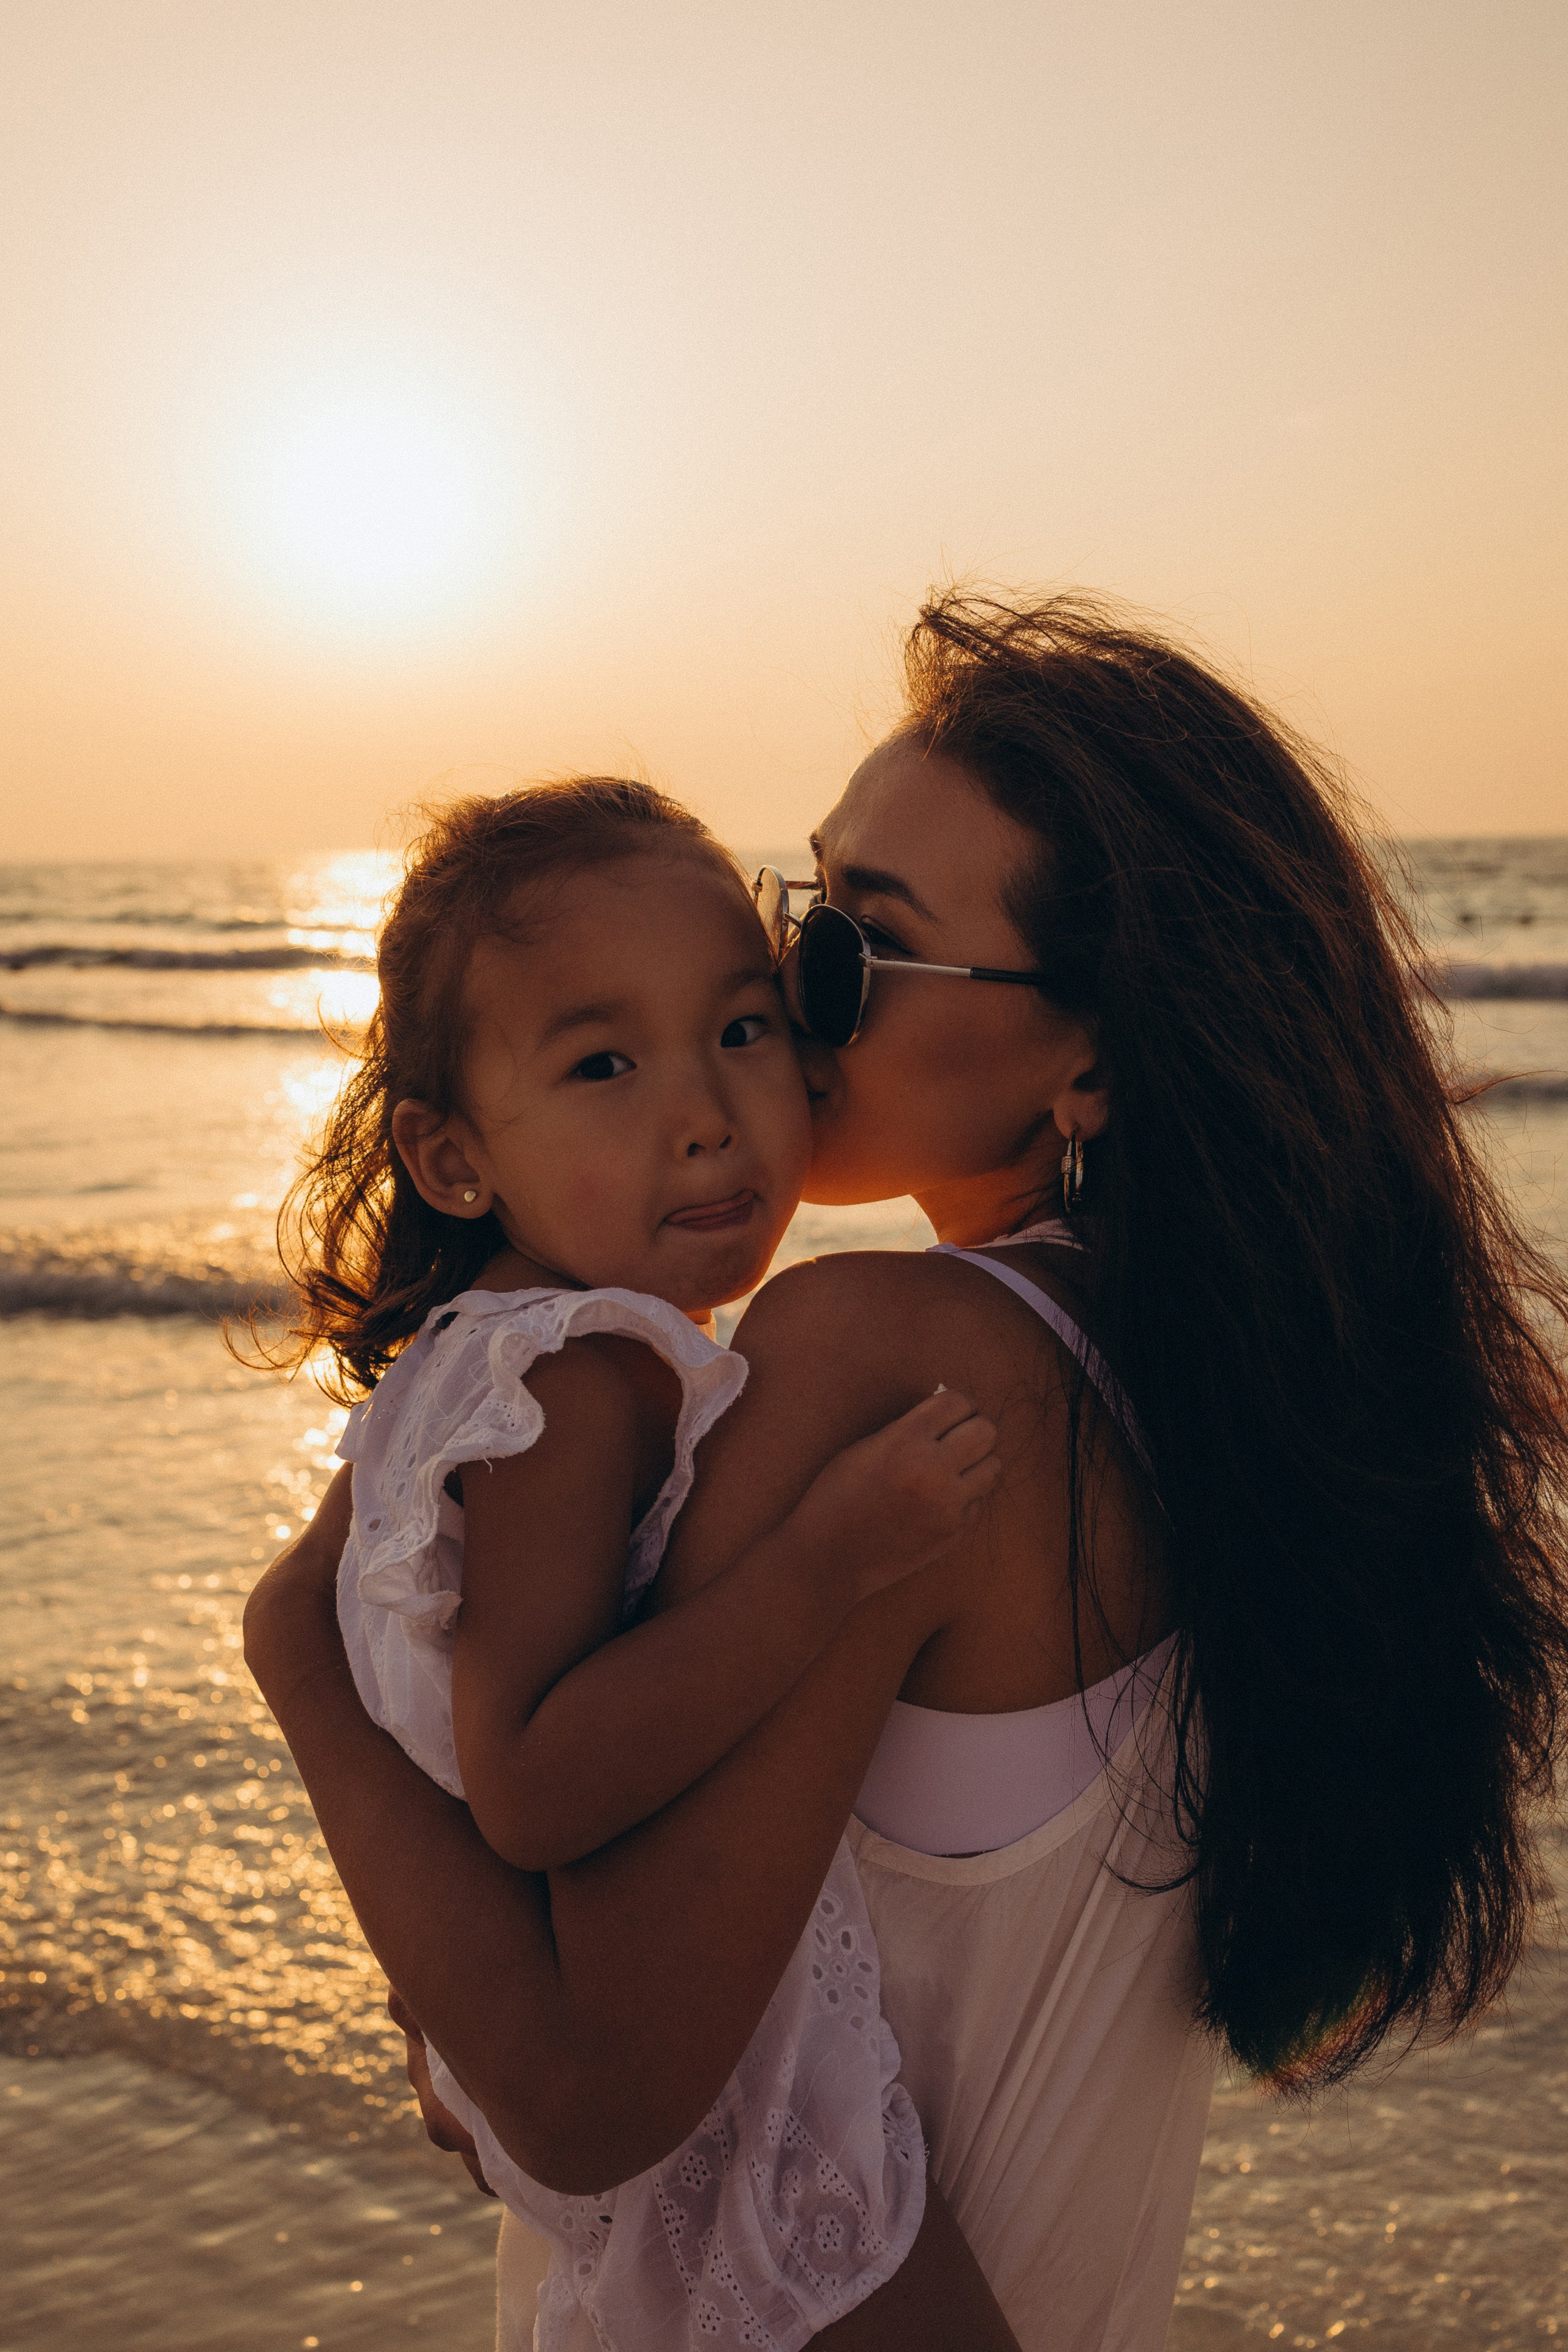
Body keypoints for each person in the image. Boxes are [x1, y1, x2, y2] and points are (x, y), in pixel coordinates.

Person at [246, 590, 1568, 2350]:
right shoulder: (1230, 1405)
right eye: (802, 918)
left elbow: (574, 2102)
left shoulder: (885, 1361)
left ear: (1087, 1057)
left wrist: (302, 1665)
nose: (783, 1009)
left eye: (855, 957)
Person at [251, 776, 1008, 2350]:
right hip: (692, 2093)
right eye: (601, 1063)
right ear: (454, 1162)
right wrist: (825, 1559)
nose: (703, 1111)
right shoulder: (575, 1384)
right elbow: (528, 1777)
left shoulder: (510, 1361)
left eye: (740, 1029)